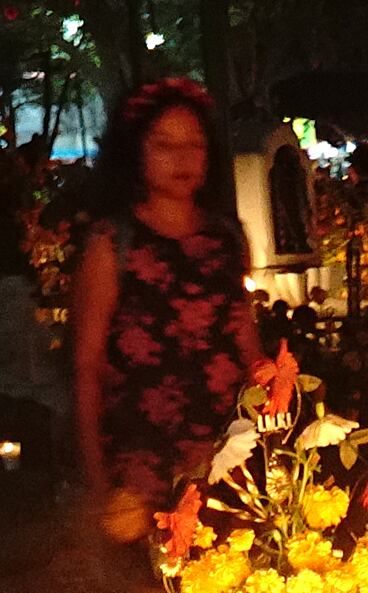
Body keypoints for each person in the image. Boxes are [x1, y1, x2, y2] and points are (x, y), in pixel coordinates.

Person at [71, 79, 261, 548]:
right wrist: (98, 483)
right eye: (164, 145)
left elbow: (249, 348)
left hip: (224, 465)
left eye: (194, 145)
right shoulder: (112, 243)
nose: (182, 159)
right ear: (136, 152)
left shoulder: (224, 239)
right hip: (142, 476)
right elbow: (86, 365)